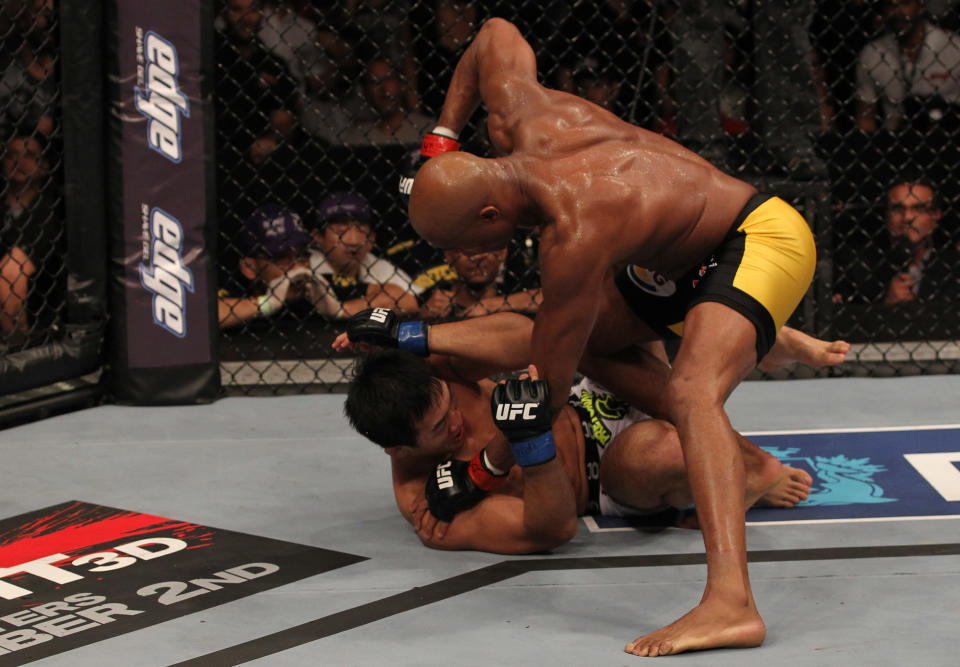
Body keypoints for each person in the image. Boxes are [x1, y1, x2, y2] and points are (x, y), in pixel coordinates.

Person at [405, 17, 821, 656]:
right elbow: (492, 34)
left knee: (691, 393)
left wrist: (484, 473)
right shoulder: (524, 116)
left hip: (756, 240)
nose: (468, 256)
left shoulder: (573, 238)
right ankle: (760, 360)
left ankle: (732, 603)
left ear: (490, 214)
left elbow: (542, 395)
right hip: (673, 265)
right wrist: (441, 137)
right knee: (587, 335)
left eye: (463, 241)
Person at [335, 311, 819, 555]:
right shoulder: (424, 501)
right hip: (608, 472)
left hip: (592, 392)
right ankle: (755, 471)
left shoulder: (440, 373)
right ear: (397, 447)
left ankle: (756, 331)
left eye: (449, 405)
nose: (456, 420)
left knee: (620, 287)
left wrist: (411, 335)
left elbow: (528, 335)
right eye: (441, 429)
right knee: (662, 450)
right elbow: (549, 530)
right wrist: (532, 447)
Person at [833, 178, 959, 304]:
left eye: (919, 208)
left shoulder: (954, 268)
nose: (907, 217)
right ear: (886, 215)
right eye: (898, 209)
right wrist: (886, 304)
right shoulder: (858, 267)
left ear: (936, 215)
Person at [306, 192, 420, 319]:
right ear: (318, 237)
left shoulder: (377, 265)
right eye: (341, 231)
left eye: (361, 231)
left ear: (371, 239)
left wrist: (342, 310)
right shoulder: (306, 265)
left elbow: (411, 301)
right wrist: (381, 300)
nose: (354, 241)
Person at [855, 0, 960, 134]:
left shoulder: (954, 48)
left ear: (920, 6)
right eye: (891, 5)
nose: (898, 12)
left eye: (905, 3)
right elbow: (865, 119)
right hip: (894, 143)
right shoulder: (872, 53)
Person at [0, 133, 60, 343]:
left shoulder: (51, 212)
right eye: (11, 155)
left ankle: (17, 350)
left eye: (28, 155)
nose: (18, 162)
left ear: (44, 165)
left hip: (37, 303)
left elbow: (14, 270)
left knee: (12, 271)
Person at [413, 248, 540, 320]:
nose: (478, 257)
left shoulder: (516, 292)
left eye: (486, 247)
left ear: (502, 253)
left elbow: (549, 299)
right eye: (466, 249)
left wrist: (488, 305)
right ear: (449, 256)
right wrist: (422, 318)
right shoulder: (432, 298)